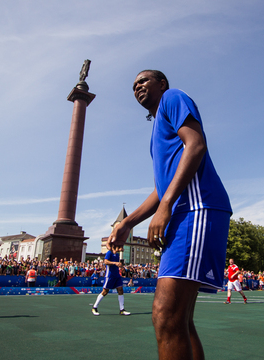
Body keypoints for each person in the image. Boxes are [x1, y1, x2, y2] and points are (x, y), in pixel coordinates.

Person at [107, 70, 232, 360]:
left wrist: (166, 207)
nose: (138, 86)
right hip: (183, 212)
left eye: (144, 80)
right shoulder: (156, 133)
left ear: (162, 84)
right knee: (179, 320)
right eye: (134, 84)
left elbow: (196, 145)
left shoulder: (173, 98)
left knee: (165, 315)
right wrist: (128, 222)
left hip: (197, 207)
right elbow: (160, 189)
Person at [91, 249, 130, 316]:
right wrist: (114, 263)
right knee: (105, 292)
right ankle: (94, 307)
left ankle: (122, 309)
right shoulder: (109, 252)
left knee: (120, 290)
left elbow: (116, 264)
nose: (121, 248)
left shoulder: (117, 255)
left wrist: (119, 265)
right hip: (109, 275)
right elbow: (105, 262)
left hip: (117, 275)